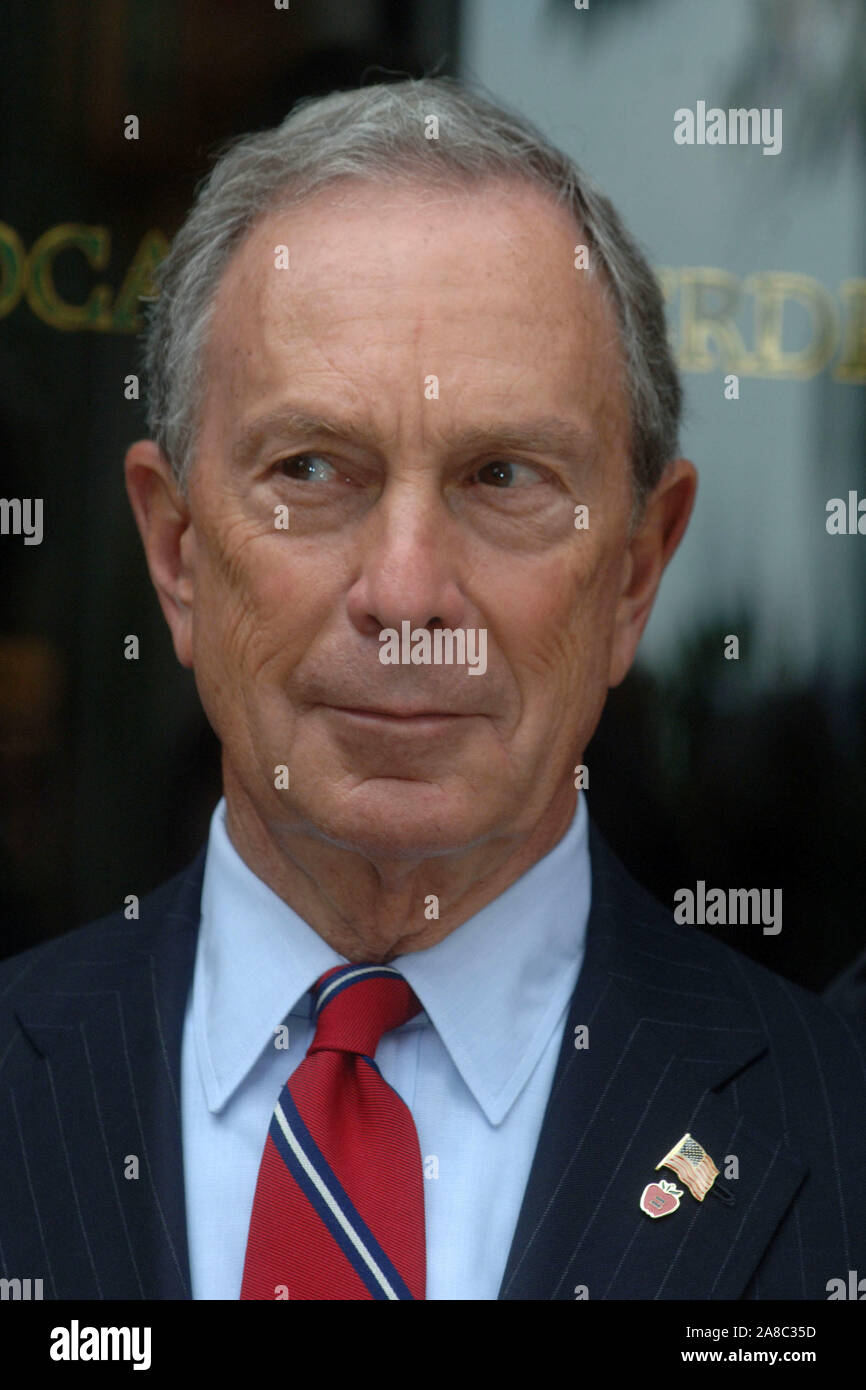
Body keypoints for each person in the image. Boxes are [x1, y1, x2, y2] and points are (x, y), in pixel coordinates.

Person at [1, 76, 863, 1302]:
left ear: (633, 571)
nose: (405, 595)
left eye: (501, 475)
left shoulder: (833, 1132)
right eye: (311, 466)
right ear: (178, 552)